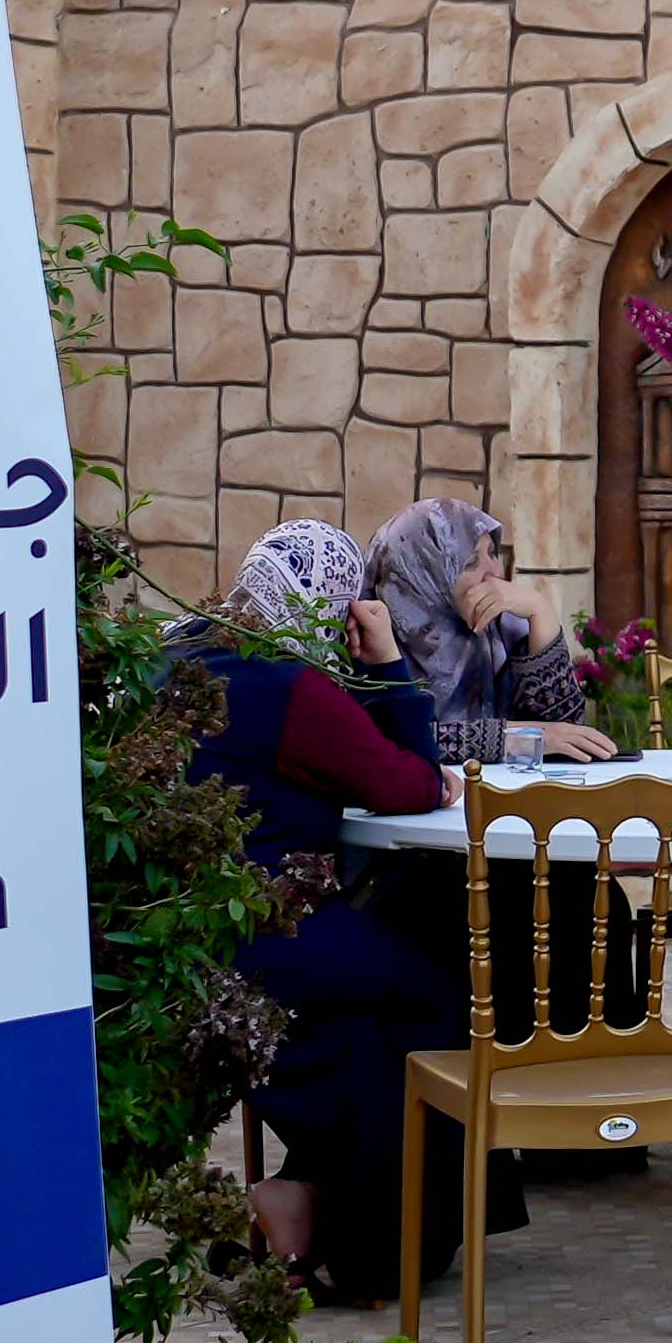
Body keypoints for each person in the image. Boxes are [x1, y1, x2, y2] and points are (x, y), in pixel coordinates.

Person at [173, 516, 463, 1284]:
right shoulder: (283, 684)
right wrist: (394, 663)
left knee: (375, 1004)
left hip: (176, 931)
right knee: (441, 996)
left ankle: (307, 1196)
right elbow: (409, 785)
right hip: (264, 930)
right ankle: (383, 1240)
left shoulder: (183, 651)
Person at [367, 497, 613, 766]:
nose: (495, 572)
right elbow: (388, 744)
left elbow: (569, 737)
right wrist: (516, 738)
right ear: (421, 575)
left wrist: (541, 613)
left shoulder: (502, 631)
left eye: (493, 553)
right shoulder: (371, 641)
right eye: (471, 563)